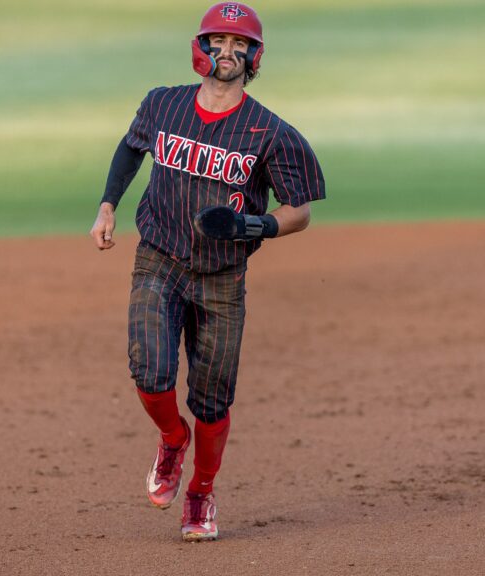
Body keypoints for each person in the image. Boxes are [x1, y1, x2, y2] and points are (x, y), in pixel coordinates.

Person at [89, 2, 325, 542]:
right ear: (201, 48)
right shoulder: (163, 105)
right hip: (160, 256)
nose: (228, 50)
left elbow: (301, 210)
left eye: (240, 43)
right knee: (149, 371)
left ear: (255, 56)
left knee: (213, 397)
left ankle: (200, 493)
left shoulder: (271, 132)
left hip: (222, 276)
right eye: (218, 40)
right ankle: (173, 440)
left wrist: (253, 227)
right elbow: (130, 150)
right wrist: (107, 206)